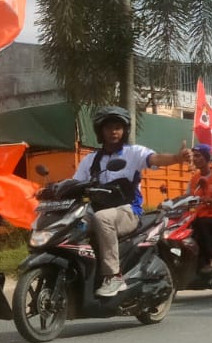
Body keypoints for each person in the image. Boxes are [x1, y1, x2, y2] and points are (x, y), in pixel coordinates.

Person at [72, 106, 191, 298]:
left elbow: (155, 159)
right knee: (70, 221)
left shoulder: (133, 152)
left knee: (103, 218)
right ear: (100, 131)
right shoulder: (91, 160)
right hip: (96, 210)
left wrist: (177, 158)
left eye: (118, 127)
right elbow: (75, 183)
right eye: (108, 127)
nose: (113, 132)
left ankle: (114, 276)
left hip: (128, 212)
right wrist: (52, 190)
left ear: (124, 131)